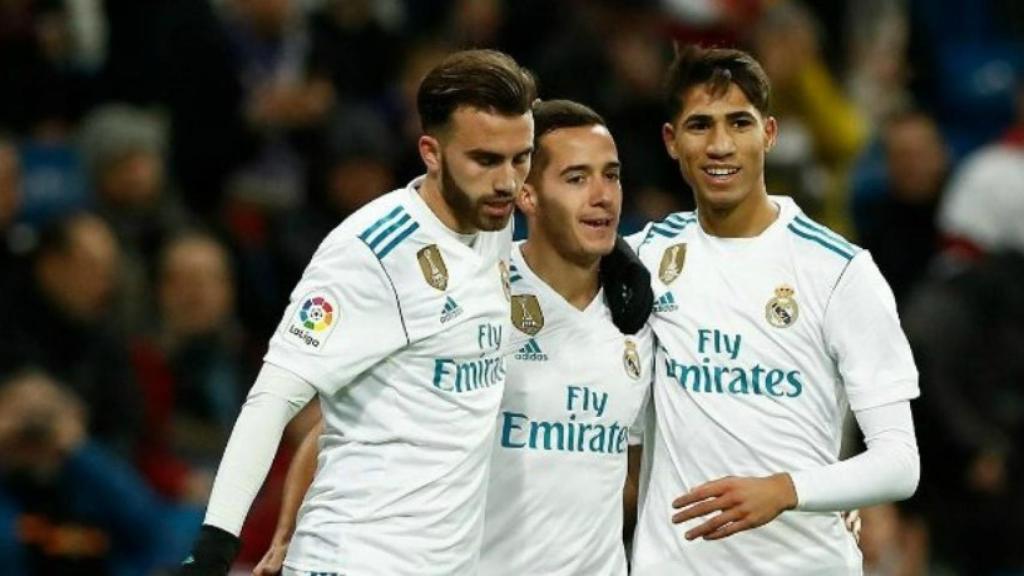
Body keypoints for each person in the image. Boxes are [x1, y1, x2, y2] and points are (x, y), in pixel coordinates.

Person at [252, 99, 656, 576]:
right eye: (576, 178)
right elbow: (340, 428)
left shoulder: (640, 316)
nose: (602, 195)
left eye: (611, 175)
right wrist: (287, 533)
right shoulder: (475, 294)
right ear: (526, 195)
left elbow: (626, 472)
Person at [177, 48, 536, 575]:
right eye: (486, 160)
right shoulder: (370, 253)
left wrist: (615, 258)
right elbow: (273, 398)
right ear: (431, 153)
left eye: (520, 158)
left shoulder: (492, 217)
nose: (508, 180)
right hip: (356, 557)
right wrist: (215, 546)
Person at [628, 45, 920, 575]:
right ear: (672, 142)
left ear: (769, 133)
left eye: (739, 123)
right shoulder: (643, 256)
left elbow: (900, 463)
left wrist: (790, 489)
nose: (720, 145)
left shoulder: (838, 270)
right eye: (700, 125)